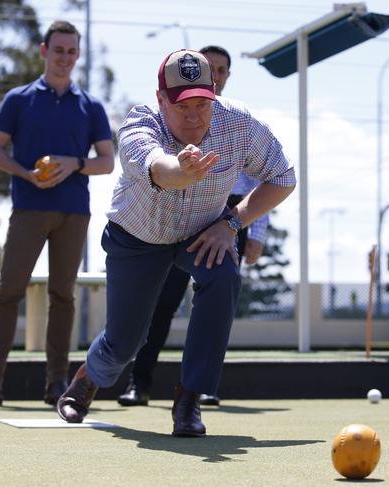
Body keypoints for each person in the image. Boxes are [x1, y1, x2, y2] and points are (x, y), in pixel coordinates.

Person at [56, 49, 295, 437]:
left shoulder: (240, 124)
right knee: (125, 341)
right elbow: (156, 166)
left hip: (202, 233)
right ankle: (87, 378)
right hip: (138, 236)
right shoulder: (140, 122)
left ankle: (189, 400)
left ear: (215, 93)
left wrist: (233, 223)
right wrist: (179, 170)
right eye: (182, 105)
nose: (194, 115)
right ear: (161, 98)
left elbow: (282, 177)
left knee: (224, 274)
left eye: (202, 103)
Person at [0, 20, 114, 407]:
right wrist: (26, 173)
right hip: (28, 208)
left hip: (73, 212)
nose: (65, 57)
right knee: (8, 292)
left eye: (71, 51)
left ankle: (57, 384)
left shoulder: (90, 106)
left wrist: (74, 163)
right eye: (58, 50)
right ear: (44, 51)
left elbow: (108, 162)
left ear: (78, 54)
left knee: (63, 296)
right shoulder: (19, 99)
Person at [118, 45, 270, 408]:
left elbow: (263, 179)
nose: (214, 75)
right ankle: (139, 382)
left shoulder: (240, 123)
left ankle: (200, 387)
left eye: (221, 70)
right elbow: (151, 163)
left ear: (224, 79)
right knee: (161, 303)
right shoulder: (171, 120)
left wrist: (252, 231)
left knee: (219, 297)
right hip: (175, 214)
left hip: (230, 218)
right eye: (209, 67)